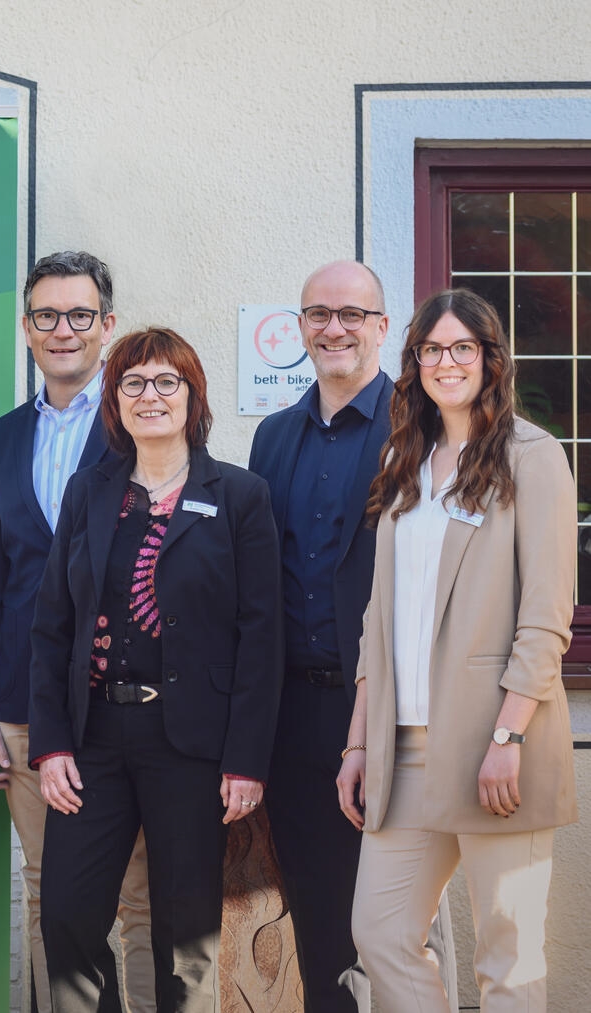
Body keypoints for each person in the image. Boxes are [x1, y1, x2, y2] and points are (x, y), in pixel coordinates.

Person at [30, 327, 281, 1013]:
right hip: (93, 740)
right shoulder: (89, 492)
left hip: (192, 747)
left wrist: (246, 759)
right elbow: (53, 624)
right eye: (134, 383)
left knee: (187, 937)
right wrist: (50, 744)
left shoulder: (238, 495)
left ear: (192, 396)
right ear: (115, 399)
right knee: (69, 917)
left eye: (167, 381)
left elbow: (262, 637)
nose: (151, 395)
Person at [338, 288, 577, 1011]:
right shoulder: (405, 458)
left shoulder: (532, 457)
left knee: (507, 958)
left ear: (489, 359)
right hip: (402, 749)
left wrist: (509, 732)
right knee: (379, 932)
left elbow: (546, 616)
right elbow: (380, 617)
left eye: (461, 347)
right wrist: (357, 745)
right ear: (415, 361)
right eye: (432, 349)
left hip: (495, 744)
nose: (446, 361)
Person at [248, 260, 455, 1012]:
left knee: (400, 929)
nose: (333, 327)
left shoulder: (426, 427)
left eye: (351, 314)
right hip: (298, 719)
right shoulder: (271, 439)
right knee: (319, 922)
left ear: (380, 326)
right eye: (318, 313)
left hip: (401, 712)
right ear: (300, 326)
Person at [0, 250, 154, 1013]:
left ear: (108, 325)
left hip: (121, 699)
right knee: (47, 893)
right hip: (19, 704)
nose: (63, 330)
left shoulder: (144, 421)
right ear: (26, 328)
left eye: (79, 315)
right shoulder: (3, 438)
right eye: (47, 316)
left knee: (136, 898)